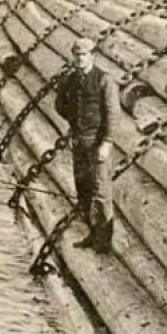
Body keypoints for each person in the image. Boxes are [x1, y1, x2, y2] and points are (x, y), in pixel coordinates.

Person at [55, 38, 120, 253]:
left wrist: (107, 142)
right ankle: (92, 232)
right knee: (83, 189)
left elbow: (113, 114)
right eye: (77, 55)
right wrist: (75, 123)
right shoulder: (71, 79)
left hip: (97, 143)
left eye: (84, 55)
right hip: (79, 141)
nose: (80, 59)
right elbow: (60, 105)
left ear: (93, 55)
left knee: (101, 191)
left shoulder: (104, 80)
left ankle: (104, 240)